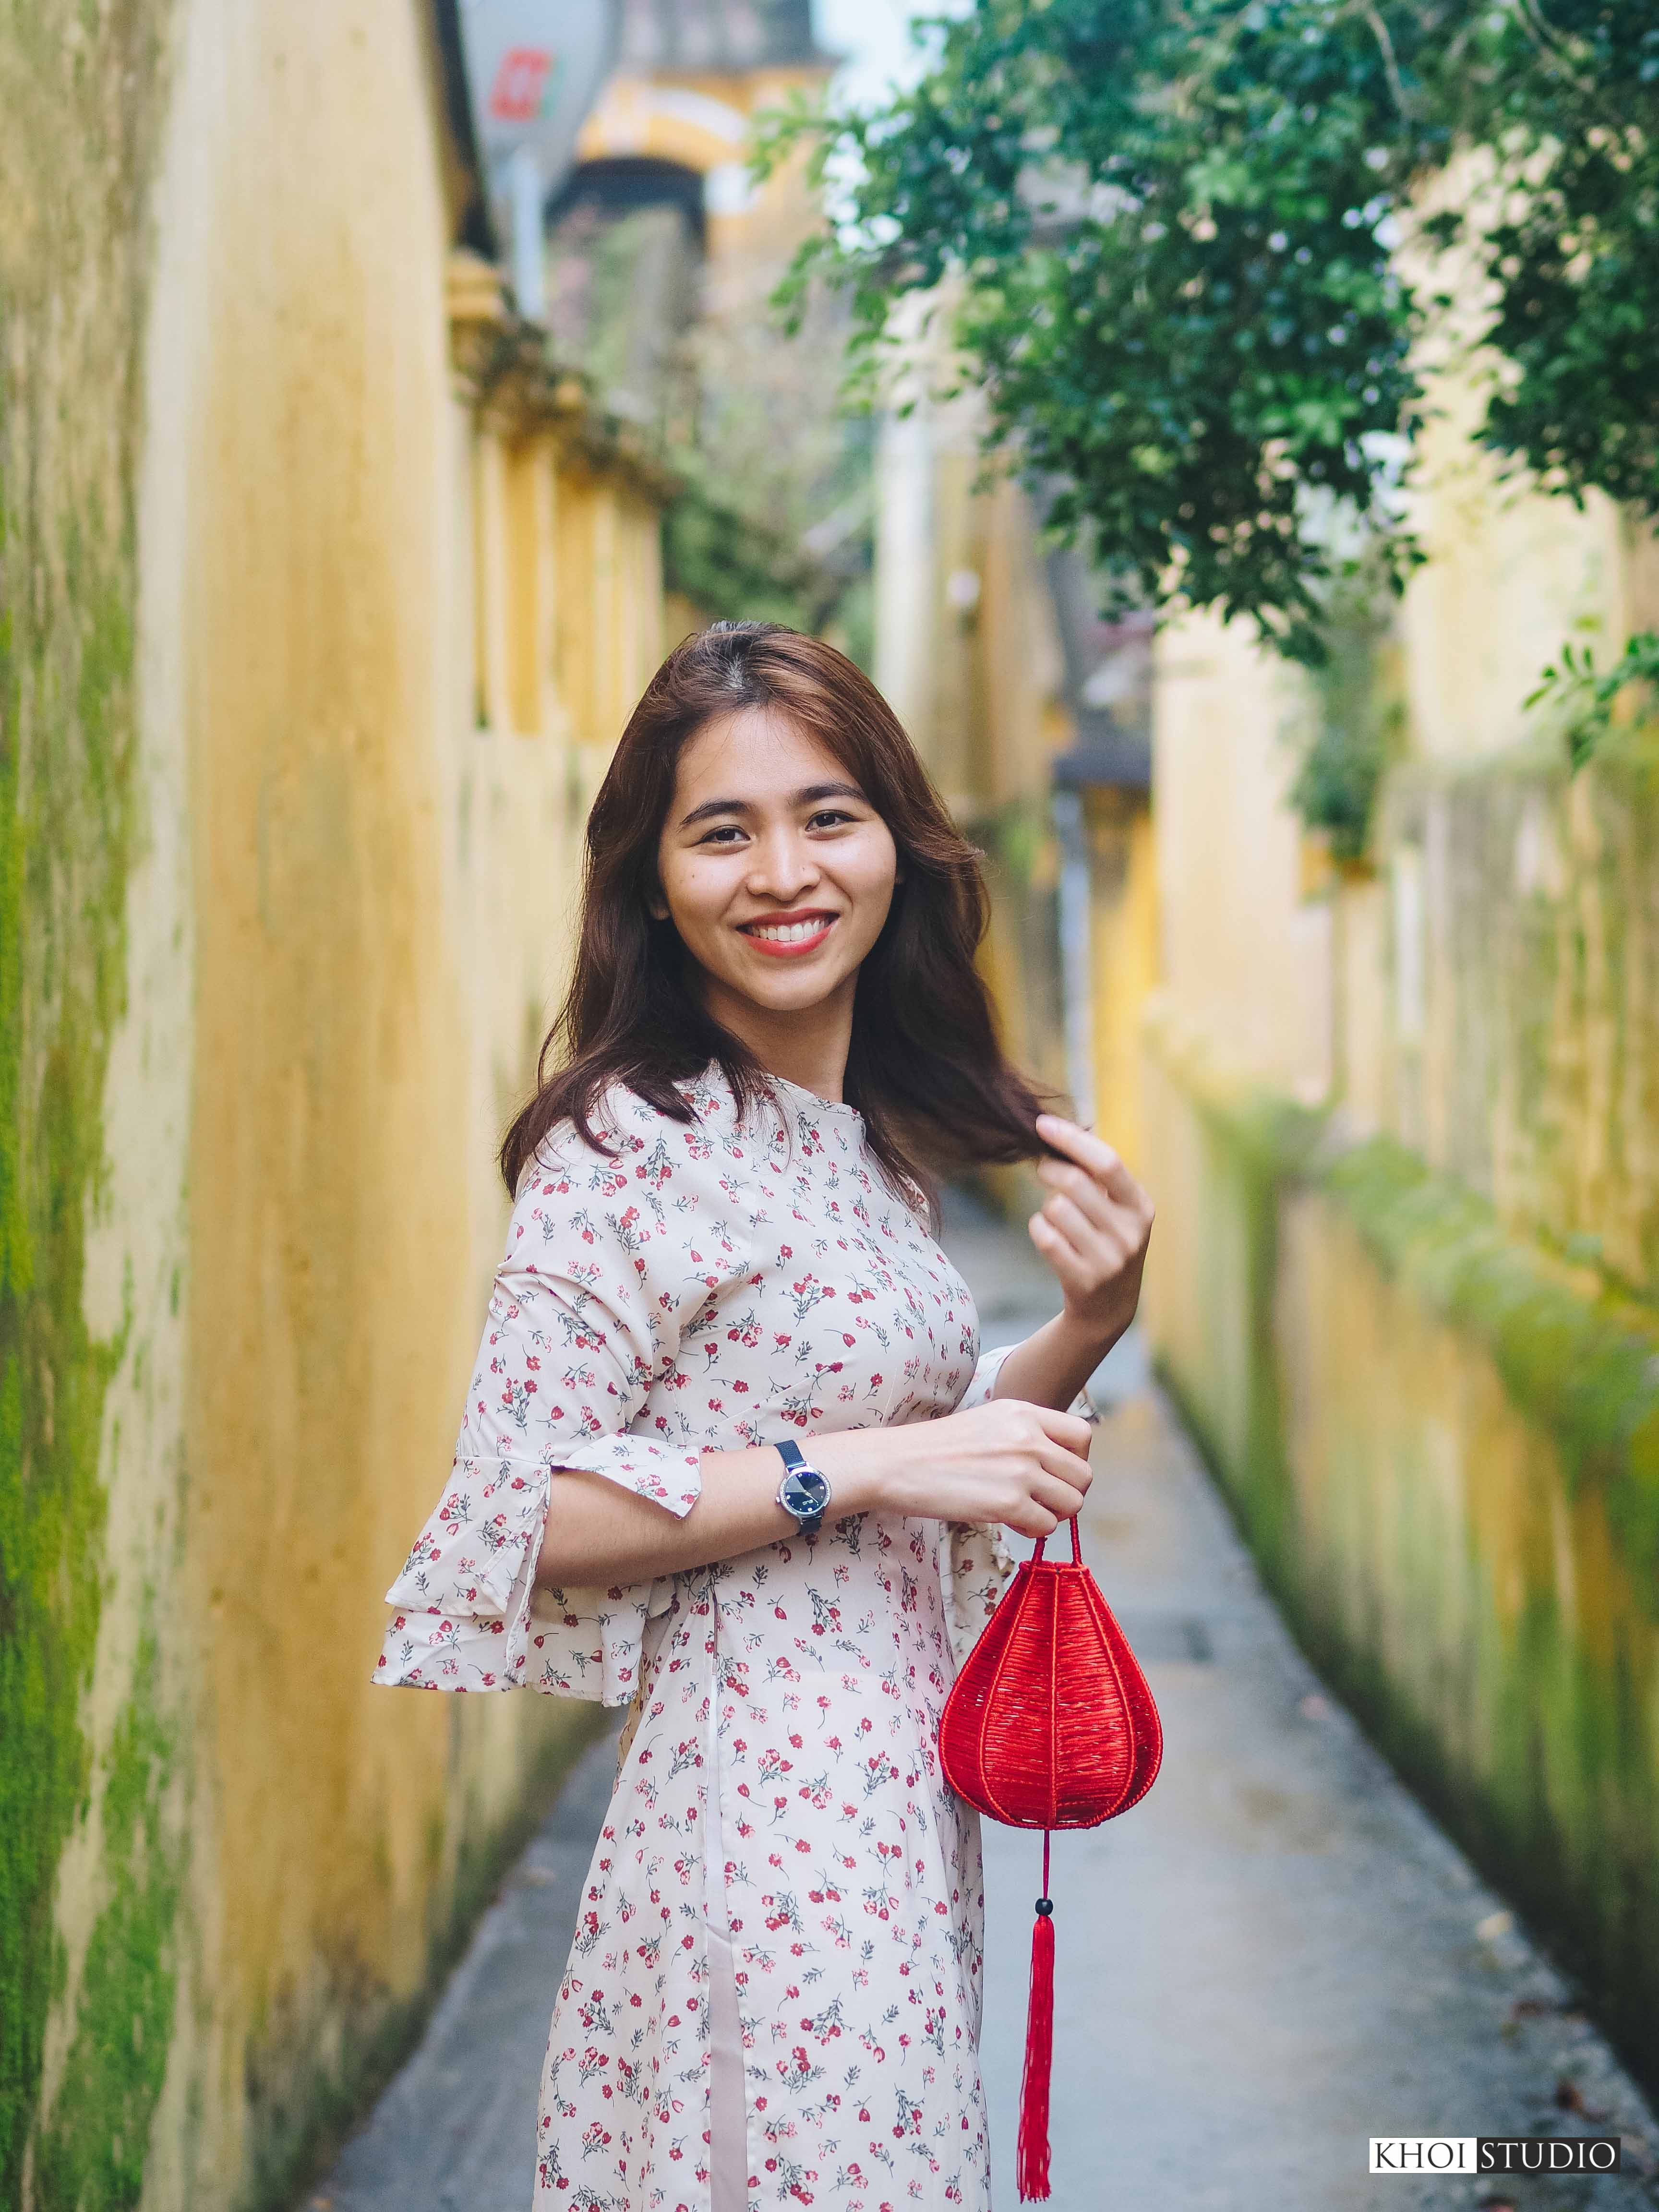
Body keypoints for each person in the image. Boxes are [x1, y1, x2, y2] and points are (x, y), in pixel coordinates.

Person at [375, 623, 1154, 2212]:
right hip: (764, 1833)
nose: (783, 870)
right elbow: (519, 1516)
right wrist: (874, 1464)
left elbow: (935, 1444)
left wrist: (1089, 1327)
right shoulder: (629, 1146)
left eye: (827, 815)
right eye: (721, 830)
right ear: (652, 883)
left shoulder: (864, 1149)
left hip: (899, 1810)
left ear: (899, 848)